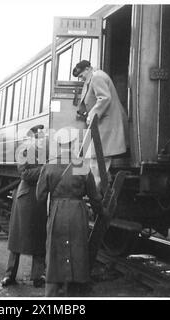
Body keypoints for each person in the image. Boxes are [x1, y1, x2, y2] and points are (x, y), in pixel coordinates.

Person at [36, 130, 103, 297]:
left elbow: (40, 196)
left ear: (58, 145)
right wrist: (101, 211)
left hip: (57, 211)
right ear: (73, 144)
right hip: (77, 213)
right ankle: (73, 291)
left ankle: (52, 292)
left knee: (55, 251)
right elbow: (94, 197)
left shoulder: (49, 166)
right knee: (77, 250)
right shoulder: (81, 166)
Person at [1, 125, 47, 288]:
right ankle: (9, 275)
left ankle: (37, 276)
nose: (41, 140)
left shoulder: (47, 152)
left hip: (40, 197)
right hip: (26, 198)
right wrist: (44, 170)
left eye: (42, 137)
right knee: (17, 238)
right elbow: (25, 174)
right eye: (38, 137)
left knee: (40, 237)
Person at [72, 60, 128, 189]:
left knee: (97, 158)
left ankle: (95, 193)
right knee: (96, 158)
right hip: (104, 124)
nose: (81, 78)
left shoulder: (97, 77)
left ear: (87, 69)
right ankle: (100, 189)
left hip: (106, 124)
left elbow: (104, 97)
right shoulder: (96, 76)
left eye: (81, 75)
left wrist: (92, 115)